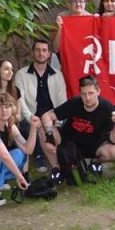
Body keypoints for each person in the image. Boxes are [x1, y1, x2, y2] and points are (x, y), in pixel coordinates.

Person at [42, 76, 115, 183]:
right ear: (80, 94)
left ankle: (95, 162)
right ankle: (56, 169)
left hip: (95, 146)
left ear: (98, 91)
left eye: (91, 93)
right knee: (40, 128)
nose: (87, 98)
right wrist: (49, 136)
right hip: (71, 144)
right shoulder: (74, 103)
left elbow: (113, 140)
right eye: (84, 94)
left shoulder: (106, 107)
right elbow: (46, 116)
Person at [15, 39, 67, 173]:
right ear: (33, 53)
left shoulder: (57, 75)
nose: (41, 53)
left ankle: (53, 162)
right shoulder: (21, 74)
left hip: (52, 116)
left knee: (50, 129)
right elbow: (20, 100)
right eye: (37, 50)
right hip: (31, 115)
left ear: (49, 54)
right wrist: (30, 118)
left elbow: (62, 101)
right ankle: (47, 161)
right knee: (39, 127)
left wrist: (57, 121)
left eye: (44, 50)